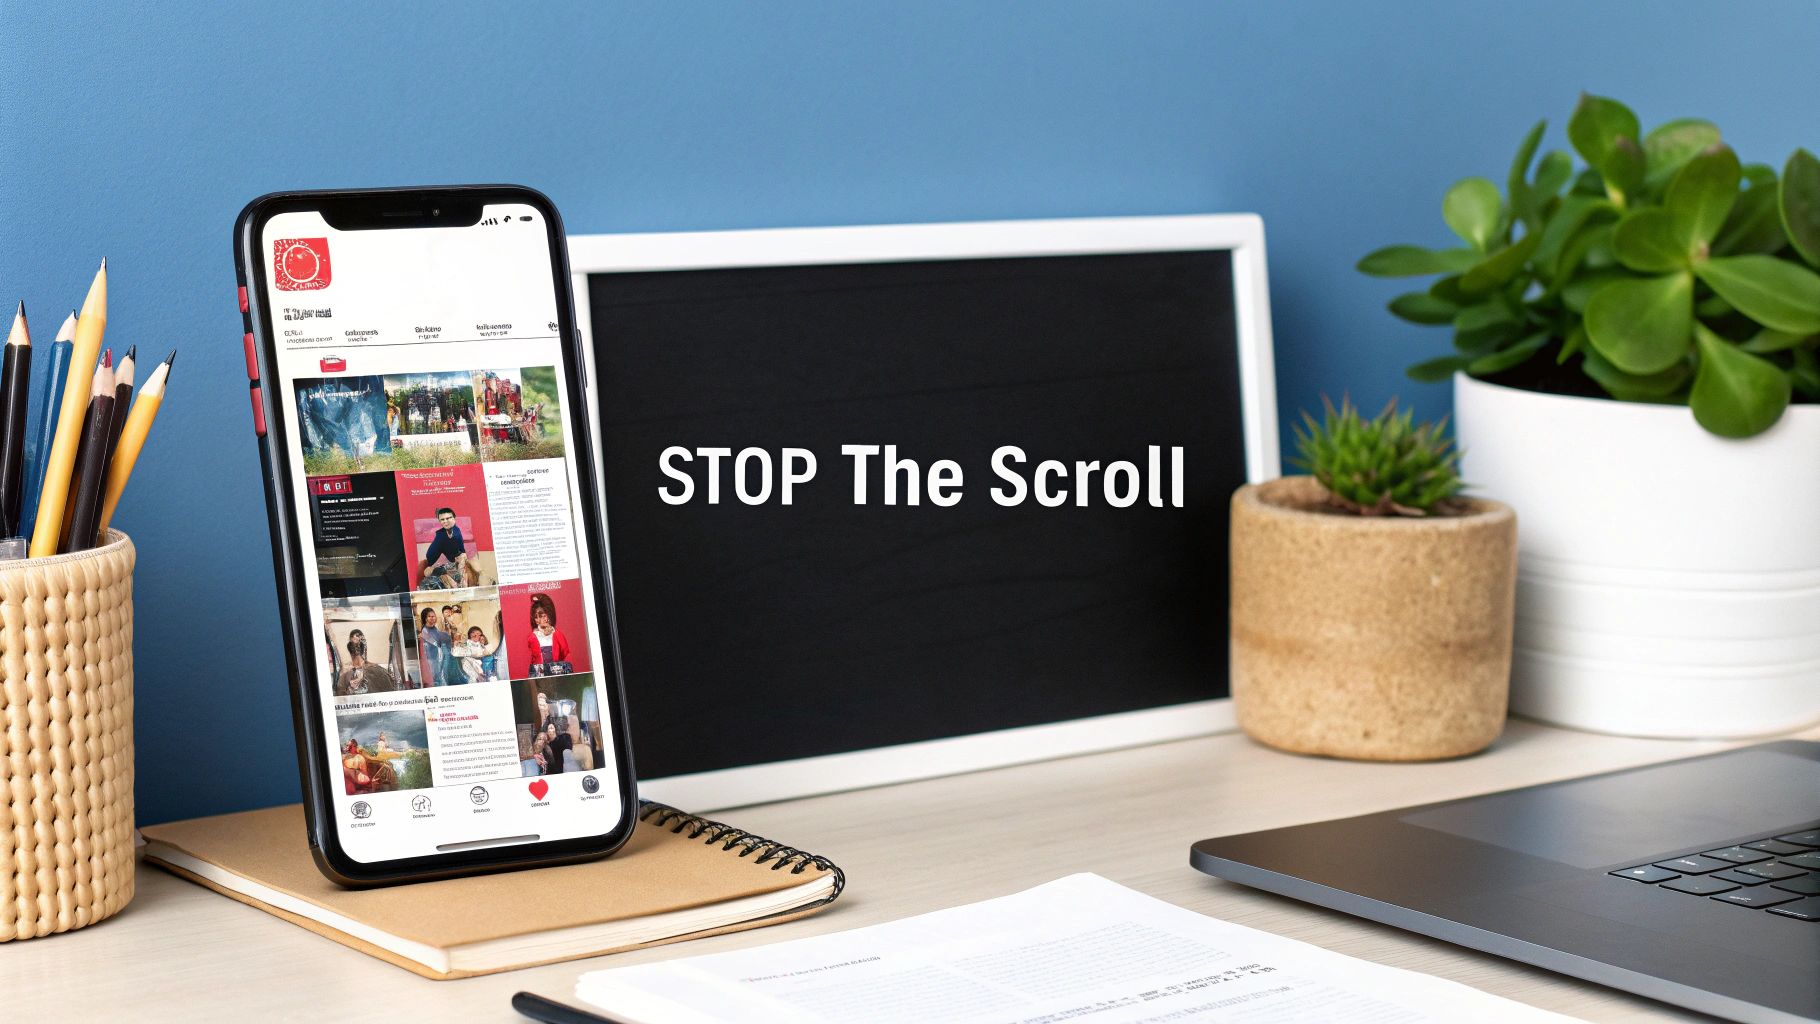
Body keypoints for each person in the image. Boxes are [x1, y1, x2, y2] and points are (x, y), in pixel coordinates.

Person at [418, 507, 475, 590]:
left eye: (448, 518)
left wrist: (462, 557)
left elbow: (460, 549)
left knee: (461, 572)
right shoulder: (441, 535)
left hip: (453, 563)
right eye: (442, 519)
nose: (445, 521)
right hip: (434, 566)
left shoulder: (456, 532)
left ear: (454, 518)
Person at [335, 628, 397, 696]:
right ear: (365, 647)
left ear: (349, 649)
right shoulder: (381, 671)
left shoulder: (344, 676)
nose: (356, 649)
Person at [523, 593, 573, 676]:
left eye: (543, 616)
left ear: (549, 615)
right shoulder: (531, 637)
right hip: (539, 676)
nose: (539, 620)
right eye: (536, 617)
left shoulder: (558, 635)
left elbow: (567, 655)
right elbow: (529, 661)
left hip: (557, 674)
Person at [529, 688, 573, 774]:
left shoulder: (554, 720)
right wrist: (534, 754)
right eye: (539, 705)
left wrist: (553, 737)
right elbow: (531, 740)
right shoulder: (533, 722)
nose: (540, 708)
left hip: (554, 752)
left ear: (547, 706)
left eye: (543, 705)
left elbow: (564, 738)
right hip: (540, 753)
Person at [418, 606, 451, 685]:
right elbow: (435, 643)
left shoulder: (435, 628)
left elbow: (441, 638)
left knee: (440, 678)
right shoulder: (424, 631)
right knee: (434, 680)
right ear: (425, 618)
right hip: (430, 660)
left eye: (433, 616)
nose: (432, 617)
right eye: (429, 616)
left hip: (438, 658)